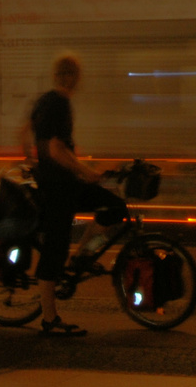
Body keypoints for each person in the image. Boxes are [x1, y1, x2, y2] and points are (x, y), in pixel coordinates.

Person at [27, 52, 127, 336]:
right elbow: (55, 149)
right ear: (72, 77)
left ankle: (81, 257)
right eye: (75, 76)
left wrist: (34, 162)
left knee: (114, 207)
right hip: (58, 187)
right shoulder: (57, 103)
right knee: (55, 249)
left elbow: (26, 135)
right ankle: (49, 319)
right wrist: (85, 171)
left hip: (63, 181)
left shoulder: (47, 101)